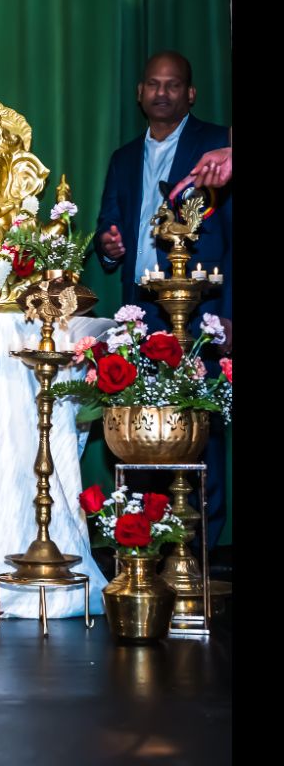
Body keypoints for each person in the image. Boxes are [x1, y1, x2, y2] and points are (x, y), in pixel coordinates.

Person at [94, 50, 232, 545]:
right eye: (153, 84)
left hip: (202, 311)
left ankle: (202, 551)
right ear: (140, 93)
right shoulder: (123, 157)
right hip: (141, 311)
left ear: (190, 94)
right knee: (142, 429)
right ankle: (146, 541)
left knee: (199, 427)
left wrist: (228, 314)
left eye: (173, 85)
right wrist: (108, 245)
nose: (162, 92)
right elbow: (107, 226)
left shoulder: (218, 146)